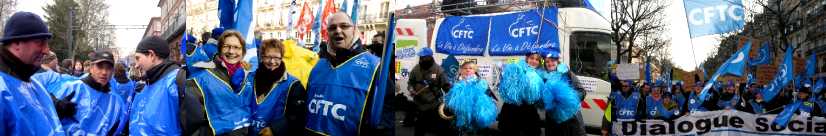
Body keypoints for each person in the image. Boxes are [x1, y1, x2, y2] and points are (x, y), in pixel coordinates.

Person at [305, 12, 393, 136]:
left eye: (344, 26)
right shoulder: (318, 66)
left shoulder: (376, 67)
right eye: (332, 28)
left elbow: (385, 119)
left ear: (354, 30)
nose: (337, 30)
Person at [0, 11, 66, 135]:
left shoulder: (32, 82)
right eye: (40, 43)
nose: (47, 50)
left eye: (47, 43)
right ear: (16, 43)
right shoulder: (3, 89)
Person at [185, 30, 253, 135]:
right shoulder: (199, 81)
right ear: (220, 50)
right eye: (226, 46)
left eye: (236, 47)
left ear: (243, 52)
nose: (231, 51)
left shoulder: (250, 77)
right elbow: (190, 126)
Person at [52, 51, 127, 135]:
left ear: (113, 71)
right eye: (100, 67)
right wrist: (56, 107)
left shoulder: (115, 101)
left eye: (108, 68)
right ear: (91, 68)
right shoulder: (72, 88)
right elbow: (49, 116)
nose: (104, 72)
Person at [246, 39, 307, 135]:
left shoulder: (293, 84)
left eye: (276, 58)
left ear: (282, 58)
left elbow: (298, 114)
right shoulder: (249, 78)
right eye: (268, 57)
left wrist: (275, 129)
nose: (272, 61)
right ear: (261, 57)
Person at [129, 36, 185, 135]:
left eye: (138, 58)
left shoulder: (177, 81)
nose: (136, 65)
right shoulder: (147, 84)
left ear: (151, 55)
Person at [440, 61, 497, 134]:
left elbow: (490, 102)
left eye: (471, 68)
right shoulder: (456, 85)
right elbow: (449, 103)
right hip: (459, 120)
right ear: (461, 70)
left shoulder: (483, 84)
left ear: (475, 70)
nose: (468, 70)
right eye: (465, 68)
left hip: (476, 121)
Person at [538, 50, 585, 136]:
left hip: (570, 120)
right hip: (553, 122)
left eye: (552, 60)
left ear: (557, 61)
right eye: (547, 61)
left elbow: (582, 92)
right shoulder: (543, 78)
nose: (550, 63)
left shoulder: (566, 73)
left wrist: (567, 99)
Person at [408, 47, 452, 136]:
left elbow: (446, 87)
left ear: (430, 57)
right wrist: (411, 89)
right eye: (420, 57)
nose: (421, 59)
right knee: (419, 128)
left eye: (423, 57)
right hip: (419, 104)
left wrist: (451, 99)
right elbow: (410, 82)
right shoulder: (416, 69)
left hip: (434, 104)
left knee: (437, 129)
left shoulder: (439, 70)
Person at [498, 52, 544, 136]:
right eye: (532, 58)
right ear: (527, 58)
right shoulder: (517, 68)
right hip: (512, 109)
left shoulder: (539, 75)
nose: (534, 61)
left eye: (537, 59)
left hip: (529, 110)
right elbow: (507, 86)